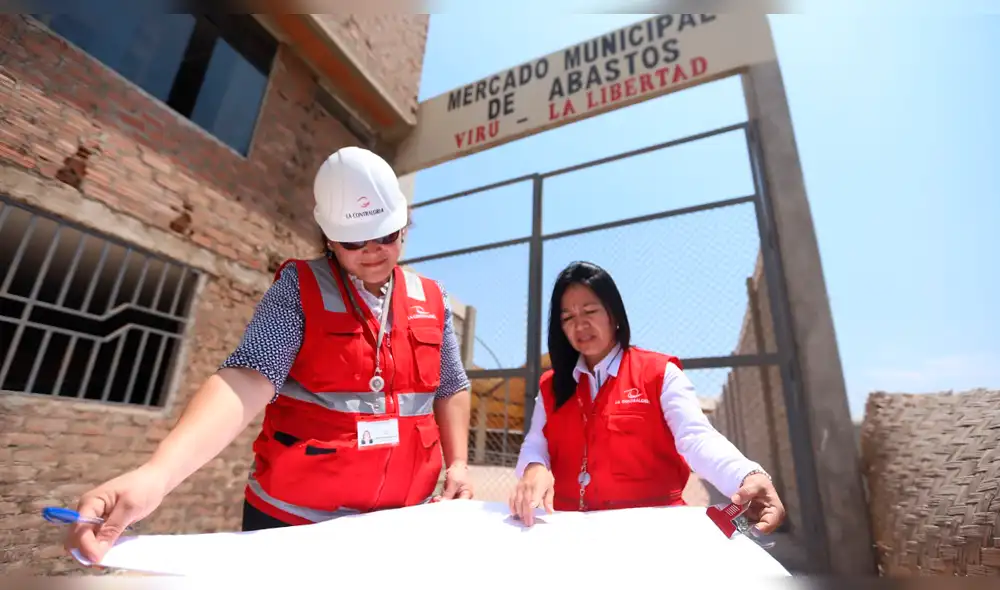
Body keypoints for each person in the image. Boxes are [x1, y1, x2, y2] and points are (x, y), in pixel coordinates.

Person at [65, 147, 473, 564]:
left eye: (386, 235)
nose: (373, 250)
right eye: (354, 241)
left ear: (403, 226)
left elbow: (451, 386)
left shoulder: (431, 298)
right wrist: (157, 474)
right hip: (296, 523)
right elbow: (249, 377)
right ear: (329, 238)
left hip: (401, 520)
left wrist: (457, 464)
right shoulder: (300, 288)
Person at [509, 261, 785, 532]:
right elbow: (536, 442)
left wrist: (745, 475)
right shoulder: (551, 386)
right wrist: (533, 466)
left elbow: (696, 437)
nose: (579, 324)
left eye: (590, 311)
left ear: (614, 314)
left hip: (652, 532)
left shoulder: (659, 373)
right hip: (569, 530)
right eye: (568, 317)